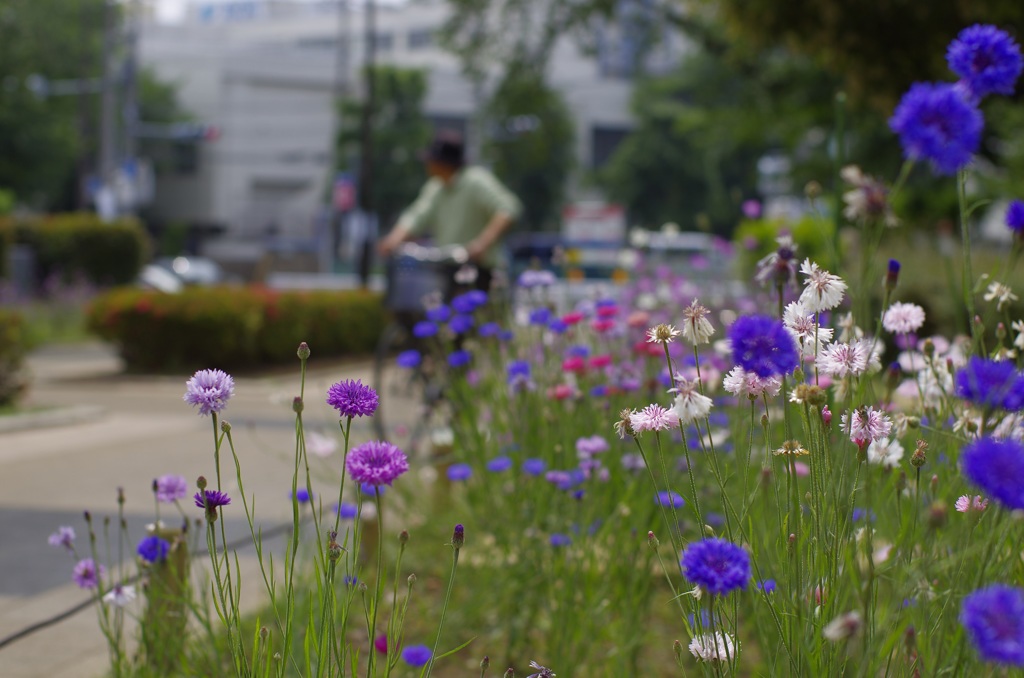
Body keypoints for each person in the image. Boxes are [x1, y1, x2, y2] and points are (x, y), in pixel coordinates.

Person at [377, 131, 522, 291]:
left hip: (481, 270)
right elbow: (416, 216)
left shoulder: (476, 181)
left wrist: (481, 245)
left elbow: (508, 209)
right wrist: (394, 239)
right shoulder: (435, 187)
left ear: (442, 162)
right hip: (448, 269)